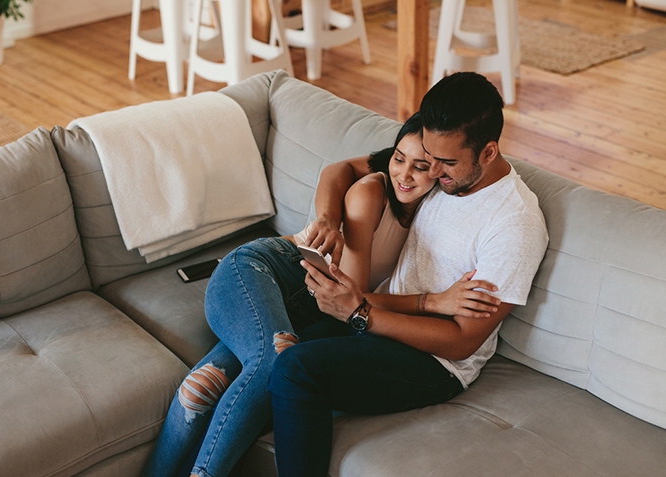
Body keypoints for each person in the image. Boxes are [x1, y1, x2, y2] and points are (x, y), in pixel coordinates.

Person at [142, 113, 498, 477]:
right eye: (398, 159)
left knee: (204, 388)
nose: (404, 174)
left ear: (441, 172)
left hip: (306, 308)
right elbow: (352, 297)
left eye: (421, 166)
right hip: (268, 270)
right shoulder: (372, 191)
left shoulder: (435, 203)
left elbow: (342, 169)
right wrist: (431, 301)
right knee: (275, 359)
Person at [267, 71, 550, 476]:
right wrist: (331, 223)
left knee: (296, 367)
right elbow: (344, 169)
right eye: (429, 157)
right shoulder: (440, 174)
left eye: (446, 162)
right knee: (270, 353)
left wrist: (360, 314)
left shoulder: (514, 224)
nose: (433, 170)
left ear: (488, 152)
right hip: (375, 320)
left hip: (433, 362)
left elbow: (462, 342)